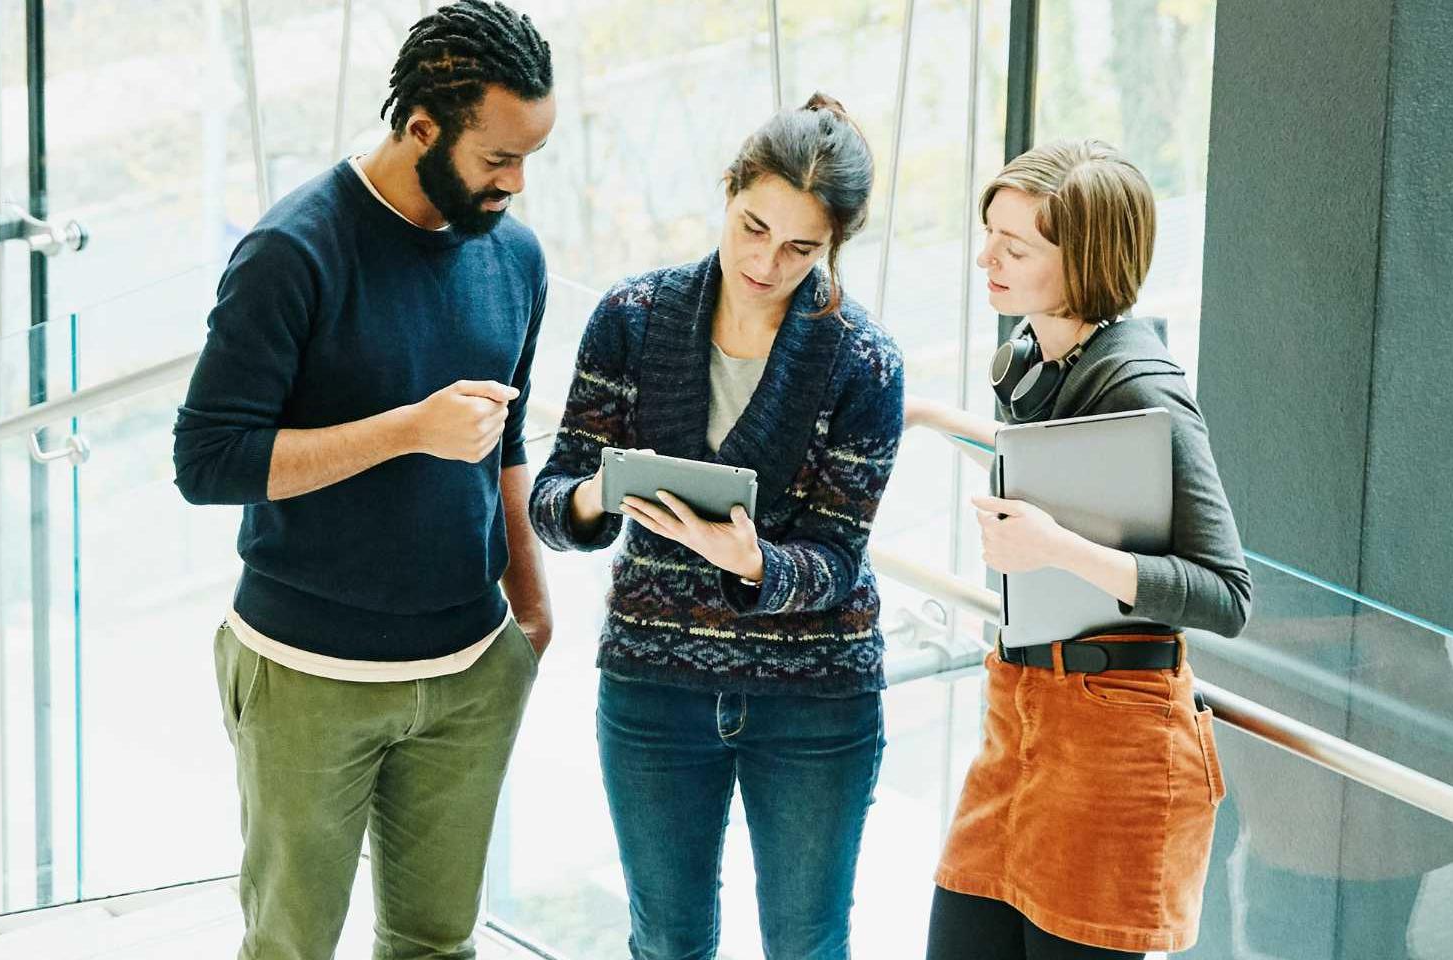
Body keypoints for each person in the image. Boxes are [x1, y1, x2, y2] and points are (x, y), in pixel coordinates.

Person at [166, 3, 555, 957]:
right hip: (309, 677)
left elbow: (503, 447)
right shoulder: (291, 253)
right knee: (289, 946)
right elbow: (206, 461)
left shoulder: (516, 256)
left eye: (529, 158)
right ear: (421, 126)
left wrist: (531, 613)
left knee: (439, 945)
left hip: (469, 670)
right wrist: (407, 431)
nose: (515, 183)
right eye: (496, 158)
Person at [529, 94, 904, 960]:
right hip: (656, 685)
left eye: (800, 247)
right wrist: (599, 498)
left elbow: (838, 559)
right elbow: (552, 499)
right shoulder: (632, 319)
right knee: (667, 943)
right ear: (728, 191)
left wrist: (754, 562)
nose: (767, 262)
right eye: (752, 226)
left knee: (807, 946)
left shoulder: (864, 362)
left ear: (834, 246)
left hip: (814, 697)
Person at [905, 140, 1256, 959]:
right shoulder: (1049, 357)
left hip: (1112, 754)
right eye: (989, 232)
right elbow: (1073, 465)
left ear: (1086, 263)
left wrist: (1056, 548)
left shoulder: (1141, 384)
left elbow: (1225, 592)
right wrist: (929, 416)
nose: (986, 256)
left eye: (1015, 246)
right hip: (1025, 723)